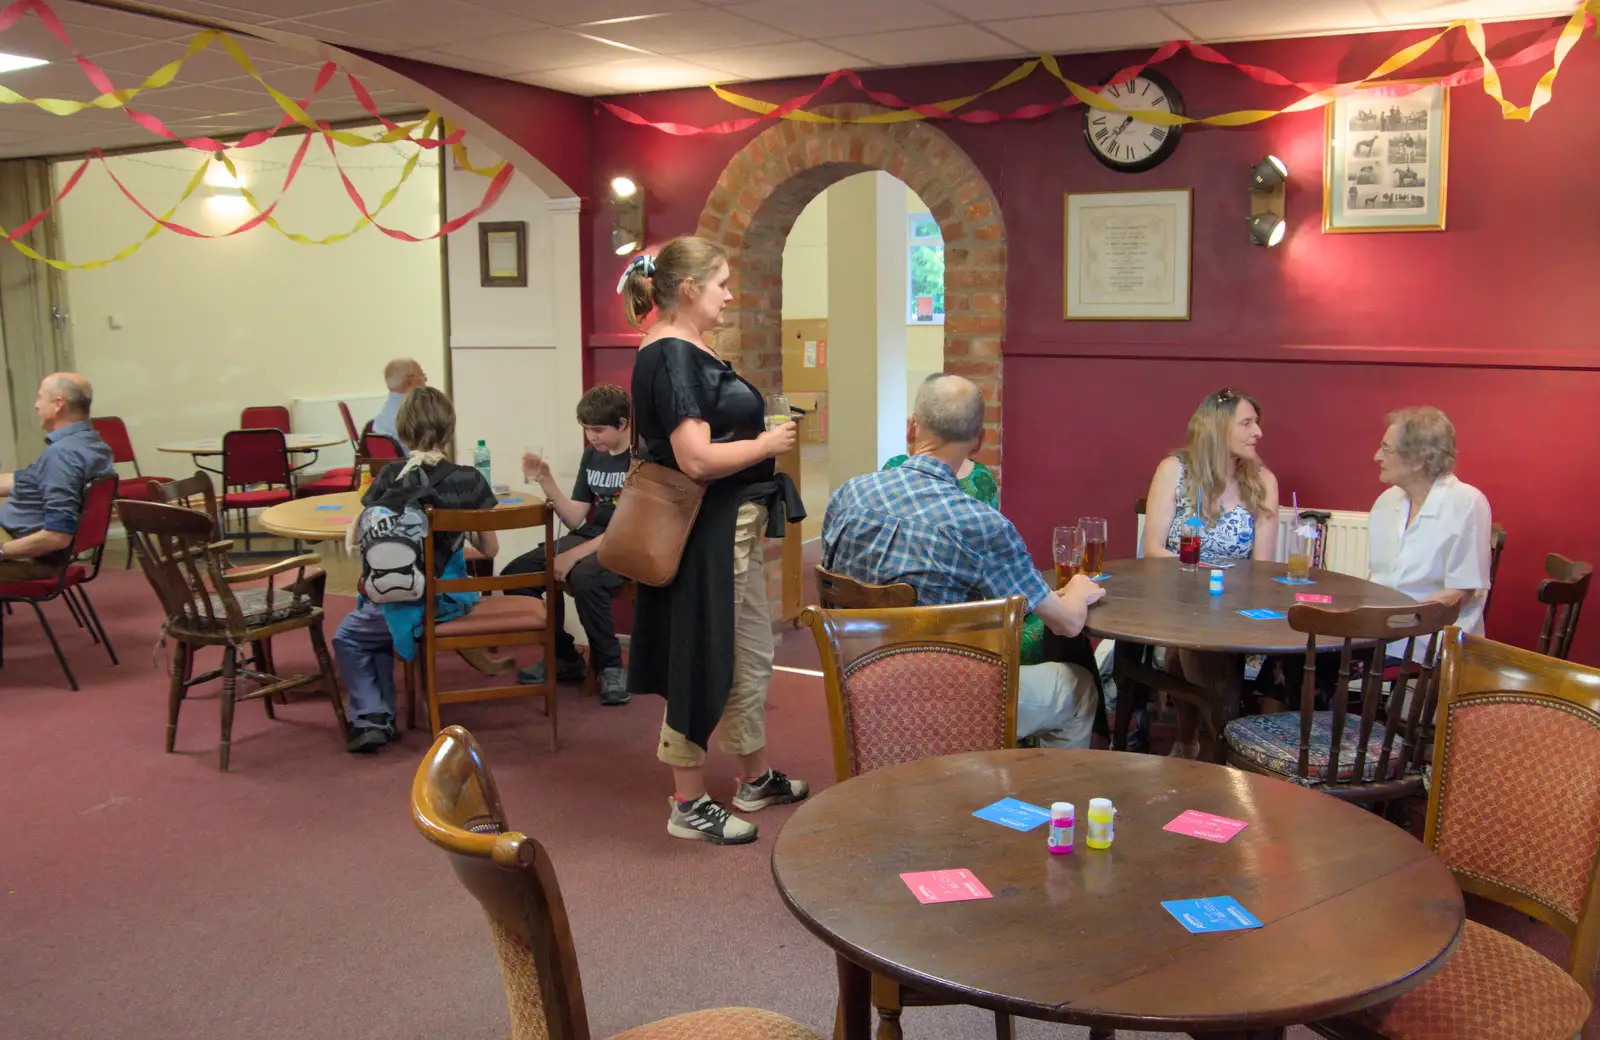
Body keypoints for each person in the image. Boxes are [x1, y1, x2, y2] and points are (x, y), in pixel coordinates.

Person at [622, 237, 808, 846]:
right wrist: (767, 446)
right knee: (702, 658)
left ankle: (753, 776)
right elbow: (696, 459)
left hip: (733, 528)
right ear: (688, 289)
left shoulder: (690, 349)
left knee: (750, 652)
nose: (730, 294)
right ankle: (688, 800)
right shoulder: (672, 354)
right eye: (722, 283)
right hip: (703, 533)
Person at [825, 373, 1107, 750]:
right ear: (979, 442)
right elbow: (1068, 623)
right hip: (944, 697)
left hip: (859, 682)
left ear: (912, 427)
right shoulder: (980, 524)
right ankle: (1043, 803)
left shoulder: (849, 494)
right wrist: (1078, 591)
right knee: (1081, 689)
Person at [332, 386, 498, 753]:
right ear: (448, 430)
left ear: (403, 432)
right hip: (448, 599)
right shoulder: (470, 479)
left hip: (398, 593)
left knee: (351, 635)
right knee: (373, 623)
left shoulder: (389, 475)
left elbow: (370, 537)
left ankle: (373, 716)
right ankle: (378, 713)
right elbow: (490, 549)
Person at [1140, 388, 1280, 759]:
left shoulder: (1263, 481)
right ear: (1218, 428)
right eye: (1247, 423)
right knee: (1189, 641)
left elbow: (1263, 567)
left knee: (1183, 654)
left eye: (1257, 423)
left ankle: (1196, 739)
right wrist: (1196, 570)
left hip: (1234, 602)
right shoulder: (1175, 470)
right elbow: (1152, 548)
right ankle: (1221, 738)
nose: (1258, 433)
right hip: (1178, 594)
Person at [506, 385, 633, 704]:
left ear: (622, 423)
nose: (591, 436)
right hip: (592, 535)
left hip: (628, 542)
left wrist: (572, 555)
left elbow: (629, 527)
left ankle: (611, 666)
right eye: (587, 429)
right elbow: (577, 518)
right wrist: (545, 479)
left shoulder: (641, 459)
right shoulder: (593, 455)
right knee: (517, 574)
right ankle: (564, 656)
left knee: (584, 576)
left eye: (598, 429)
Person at [1368, 406, 1491, 657]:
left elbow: (1460, 594)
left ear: (1417, 460)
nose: (1376, 456)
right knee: (1304, 654)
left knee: (1320, 662)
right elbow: (1378, 578)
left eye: (1386, 449)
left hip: (1432, 639)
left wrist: (1393, 620)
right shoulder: (1386, 501)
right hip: (1380, 629)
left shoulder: (1467, 503)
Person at [0, 374, 114, 581]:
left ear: (58, 404)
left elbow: (57, 536)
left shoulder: (62, 455)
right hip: (32, 548)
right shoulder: (93, 444)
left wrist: (2, 551)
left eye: (40, 397)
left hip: (28, 556)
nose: (35, 405)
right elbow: (26, 480)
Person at [371, 358, 428, 449]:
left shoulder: (382, 416)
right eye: (421, 374)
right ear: (409, 381)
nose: (426, 379)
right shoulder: (413, 416)